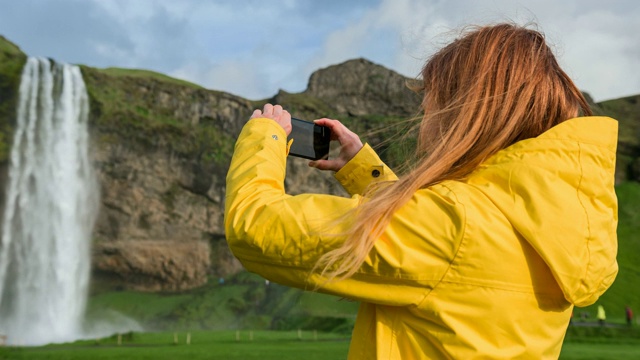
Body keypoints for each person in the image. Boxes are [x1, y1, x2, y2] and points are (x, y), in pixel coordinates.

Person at [224, 23, 618, 359]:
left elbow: (256, 228)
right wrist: (364, 170)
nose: (423, 124)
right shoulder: (556, 222)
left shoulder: (453, 225)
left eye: (429, 107)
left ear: (465, 113)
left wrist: (265, 136)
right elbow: (444, 256)